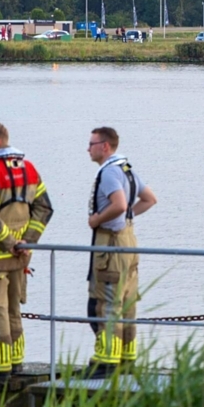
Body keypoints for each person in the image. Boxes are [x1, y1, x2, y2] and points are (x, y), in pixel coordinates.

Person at [0, 121, 53, 378]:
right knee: (13, 308)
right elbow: (45, 208)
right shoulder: (29, 169)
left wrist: (7, 242)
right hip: (21, 256)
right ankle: (16, 361)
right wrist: (26, 241)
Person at [86, 127, 157, 377]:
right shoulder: (127, 170)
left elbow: (118, 204)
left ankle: (106, 363)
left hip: (111, 243)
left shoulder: (109, 173)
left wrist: (97, 219)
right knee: (126, 302)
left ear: (105, 146)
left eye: (92, 143)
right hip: (128, 242)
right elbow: (149, 199)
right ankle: (126, 360)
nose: (88, 148)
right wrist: (128, 216)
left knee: (105, 303)